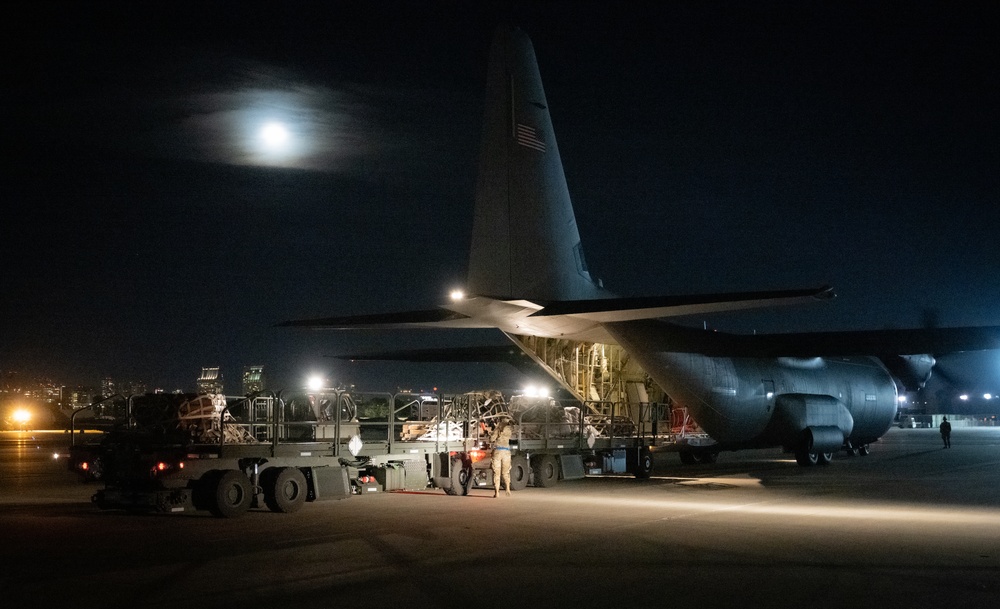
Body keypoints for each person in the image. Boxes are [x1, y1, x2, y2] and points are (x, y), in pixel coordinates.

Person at [489, 416, 513, 497]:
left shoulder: (498, 428)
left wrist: (490, 434)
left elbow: (492, 439)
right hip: (506, 451)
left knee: (497, 473)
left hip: (498, 451)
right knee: (506, 473)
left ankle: (497, 492)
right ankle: (508, 489)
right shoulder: (509, 429)